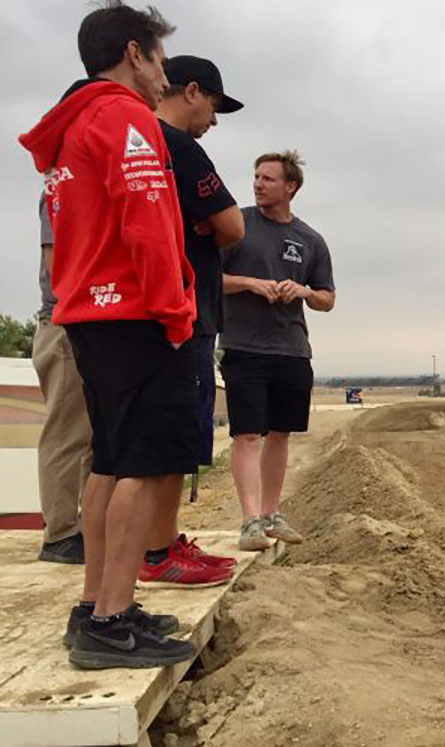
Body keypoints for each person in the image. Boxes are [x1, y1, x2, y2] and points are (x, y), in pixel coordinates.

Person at [19, 0, 199, 669]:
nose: (163, 75)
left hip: (88, 313)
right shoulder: (125, 119)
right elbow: (148, 223)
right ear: (133, 53)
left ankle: (97, 602)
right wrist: (175, 314)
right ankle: (110, 620)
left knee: (109, 461)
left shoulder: (73, 126)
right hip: (133, 313)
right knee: (142, 468)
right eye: (159, 59)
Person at [135, 54, 247, 588]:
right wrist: (208, 224)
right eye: (215, 106)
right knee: (175, 435)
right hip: (186, 311)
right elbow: (233, 226)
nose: (215, 120)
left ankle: (160, 541)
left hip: (157, 308)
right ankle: (158, 551)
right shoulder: (178, 145)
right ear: (193, 91)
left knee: (154, 438)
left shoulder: (137, 142)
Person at [221, 150, 335, 551]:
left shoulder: (310, 240)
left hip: (292, 349)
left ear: (291, 187)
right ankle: (250, 521)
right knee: (247, 435)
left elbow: (327, 299)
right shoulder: (235, 226)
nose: (258, 184)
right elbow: (206, 278)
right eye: (256, 176)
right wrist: (250, 283)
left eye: (267, 178)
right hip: (243, 345)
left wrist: (302, 291)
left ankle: (271, 513)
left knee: (280, 434)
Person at [32, 193, 91, 565]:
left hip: (84, 324)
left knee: (90, 436)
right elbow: (57, 265)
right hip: (66, 324)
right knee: (66, 434)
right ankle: (61, 534)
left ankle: (84, 527)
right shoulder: (61, 191)